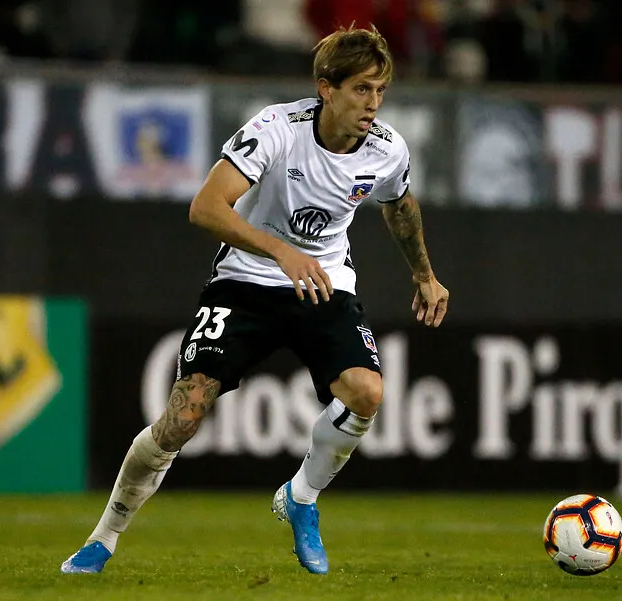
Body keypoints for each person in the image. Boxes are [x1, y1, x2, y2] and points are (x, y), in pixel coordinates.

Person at [60, 23, 449, 576]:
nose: (373, 104)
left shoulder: (387, 149)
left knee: (366, 392)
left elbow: (399, 206)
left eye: (381, 90)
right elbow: (206, 207)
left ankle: (303, 498)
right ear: (326, 88)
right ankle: (103, 539)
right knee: (183, 417)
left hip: (325, 283)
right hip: (245, 280)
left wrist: (425, 275)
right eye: (362, 89)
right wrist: (279, 251)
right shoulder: (275, 129)